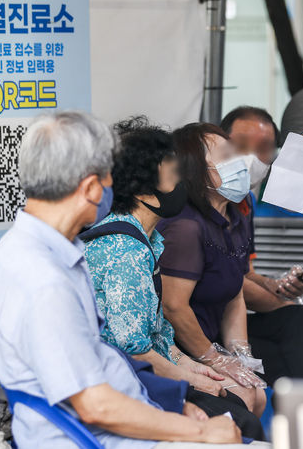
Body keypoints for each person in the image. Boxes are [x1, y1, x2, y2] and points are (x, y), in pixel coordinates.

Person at [0, 111, 254, 447]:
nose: (118, 185)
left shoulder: (34, 249)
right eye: (111, 176)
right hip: (97, 437)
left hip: (129, 408)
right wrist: (198, 431)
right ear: (92, 188)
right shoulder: (45, 281)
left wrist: (179, 402)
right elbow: (95, 407)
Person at [82, 116, 265, 440]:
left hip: (153, 369)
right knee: (241, 421)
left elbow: (160, 335)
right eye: (174, 174)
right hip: (128, 382)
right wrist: (194, 380)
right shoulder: (126, 251)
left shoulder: (150, 240)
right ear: (143, 189)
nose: (185, 181)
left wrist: (199, 369)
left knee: (243, 403)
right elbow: (134, 351)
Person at [156, 123, 267, 416]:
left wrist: (241, 355)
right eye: (226, 156)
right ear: (195, 170)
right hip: (176, 349)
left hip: (212, 342)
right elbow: (173, 307)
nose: (241, 163)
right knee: (244, 395)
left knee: (258, 394)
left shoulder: (235, 218)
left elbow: (234, 295)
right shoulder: (185, 227)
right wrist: (214, 359)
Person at [220, 107, 303, 386]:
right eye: (240, 145)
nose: (250, 157)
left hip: (229, 322)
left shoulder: (246, 204)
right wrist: (285, 305)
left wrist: (280, 286)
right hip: (199, 329)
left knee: (295, 341)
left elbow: (245, 274)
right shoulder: (200, 206)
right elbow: (226, 280)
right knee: (298, 322)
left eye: (263, 148)